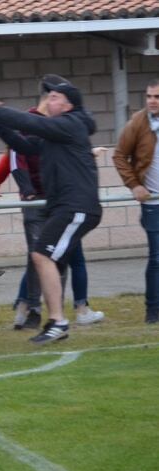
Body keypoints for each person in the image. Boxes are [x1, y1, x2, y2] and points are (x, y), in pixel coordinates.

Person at [0, 82, 101, 344]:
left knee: (41, 255)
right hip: (66, 208)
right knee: (49, 260)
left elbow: (31, 123)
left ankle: (58, 321)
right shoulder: (56, 134)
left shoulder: (70, 124)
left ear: (68, 105)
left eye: (54, 97)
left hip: (76, 207)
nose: (48, 101)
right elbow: (22, 143)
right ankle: (56, 321)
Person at [113, 78, 159, 324]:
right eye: (149, 96)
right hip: (153, 202)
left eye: (157, 97)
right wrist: (135, 185)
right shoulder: (138, 124)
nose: (152, 101)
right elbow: (120, 156)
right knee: (157, 257)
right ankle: (153, 310)